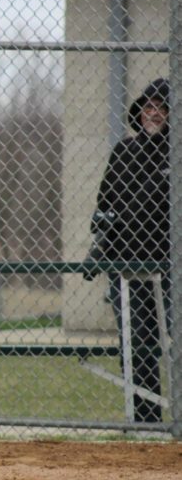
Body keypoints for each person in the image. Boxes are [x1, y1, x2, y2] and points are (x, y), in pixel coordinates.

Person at [85, 77, 170, 423]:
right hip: (129, 264)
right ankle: (145, 420)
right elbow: (104, 205)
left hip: (170, 264)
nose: (153, 112)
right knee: (136, 345)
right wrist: (103, 237)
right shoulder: (124, 152)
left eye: (161, 107)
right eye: (147, 106)